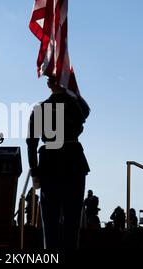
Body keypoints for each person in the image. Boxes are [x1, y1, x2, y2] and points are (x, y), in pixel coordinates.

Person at [26, 76, 90, 251]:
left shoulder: (40, 109)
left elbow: (31, 142)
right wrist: (72, 93)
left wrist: (34, 171)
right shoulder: (74, 106)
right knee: (72, 219)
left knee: (50, 220)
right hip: (74, 163)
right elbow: (85, 112)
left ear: (49, 84)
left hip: (49, 165)